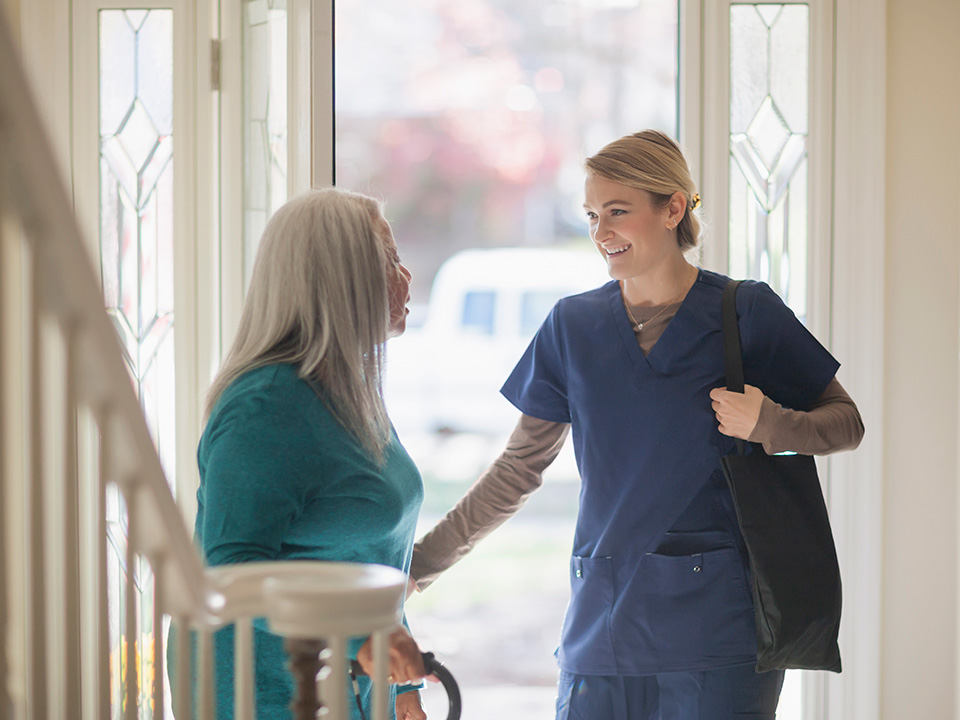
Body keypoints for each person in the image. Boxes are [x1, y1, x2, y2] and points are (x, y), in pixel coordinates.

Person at [408, 130, 864, 720]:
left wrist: (769, 422)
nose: (601, 233)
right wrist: (420, 564)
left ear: (673, 208)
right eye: (593, 215)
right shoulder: (571, 326)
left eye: (618, 212)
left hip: (721, 636)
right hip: (602, 627)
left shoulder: (744, 313)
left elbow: (845, 422)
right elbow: (517, 469)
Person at [190, 188, 428, 719]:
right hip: (266, 690)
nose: (406, 277)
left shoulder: (348, 388)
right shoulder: (264, 406)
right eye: (389, 260)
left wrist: (401, 683)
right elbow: (229, 568)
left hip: (351, 682)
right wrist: (360, 643)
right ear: (341, 279)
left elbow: (366, 560)